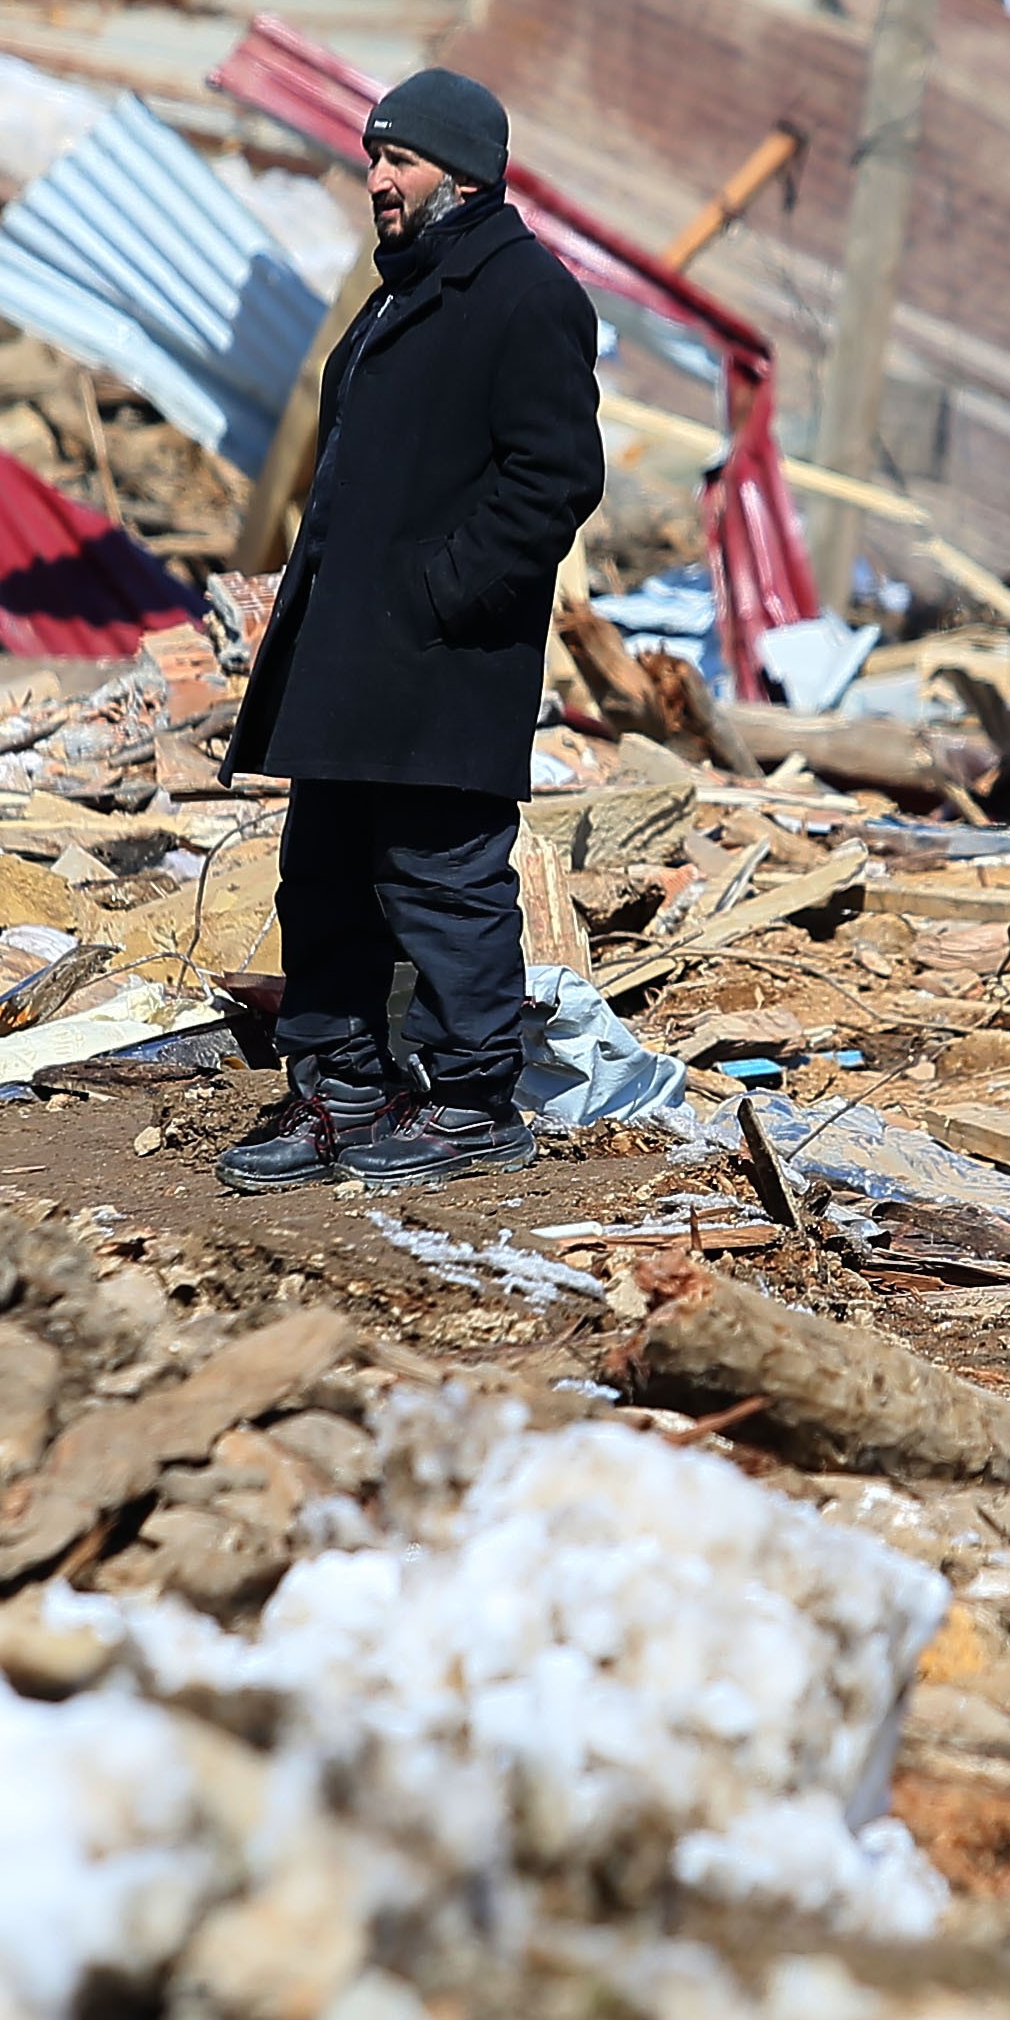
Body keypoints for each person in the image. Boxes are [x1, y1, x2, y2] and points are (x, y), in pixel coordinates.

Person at [219, 67, 604, 1191]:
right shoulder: (402, 291)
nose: (377, 178)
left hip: (440, 663)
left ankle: (476, 1102)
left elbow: (554, 480)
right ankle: (339, 1088)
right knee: (325, 873)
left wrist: (443, 595)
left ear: (468, 173)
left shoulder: (526, 293)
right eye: (373, 156)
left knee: (442, 880)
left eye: (401, 160)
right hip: (353, 660)